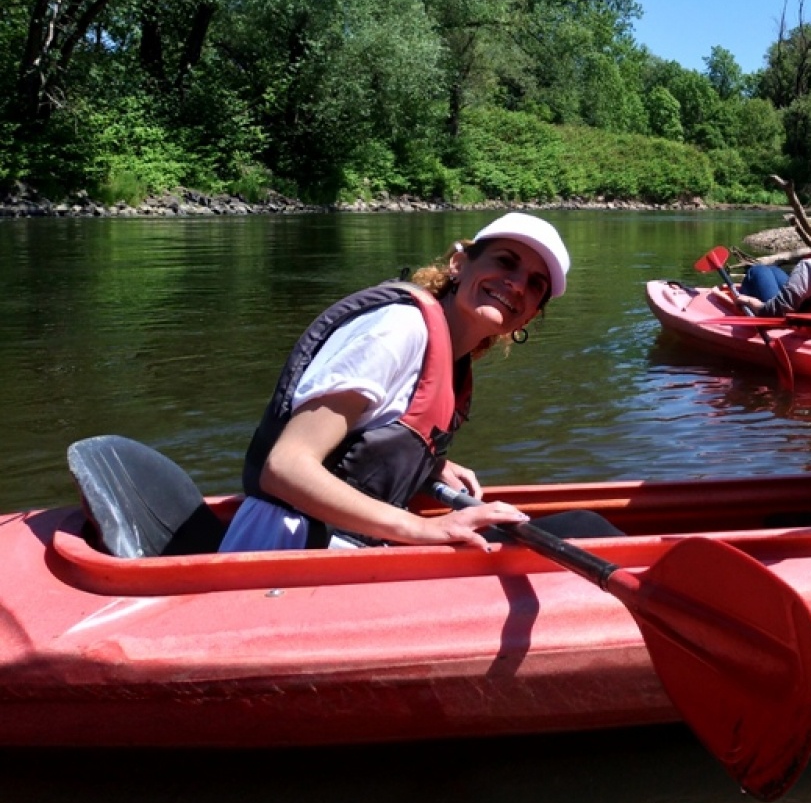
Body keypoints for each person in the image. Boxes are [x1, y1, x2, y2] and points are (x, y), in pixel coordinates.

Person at [220, 213, 570, 552]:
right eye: (506, 261)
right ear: (459, 265)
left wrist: (427, 465)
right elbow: (285, 468)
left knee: (578, 527)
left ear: (532, 314)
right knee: (580, 531)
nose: (518, 283)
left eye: (535, 283)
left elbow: (365, 443)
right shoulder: (397, 329)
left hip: (350, 547)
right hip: (288, 551)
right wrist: (423, 527)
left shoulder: (452, 358)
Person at [713, 206, 811, 317]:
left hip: (795, 318)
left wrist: (751, 302)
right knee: (774, 270)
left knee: (757, 270)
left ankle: (743, 299)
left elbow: (776, 312)